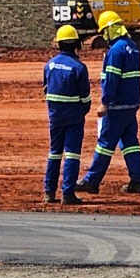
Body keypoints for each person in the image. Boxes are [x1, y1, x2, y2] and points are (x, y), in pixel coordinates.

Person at [75, 11, 140, 194]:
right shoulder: (132, 46)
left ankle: (92, 181)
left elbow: (112, 79)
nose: (104, 35)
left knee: (105, 143)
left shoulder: (115, 51)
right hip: (132, 103)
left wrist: (105, 103)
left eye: (104, 31)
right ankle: (137, 181)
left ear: (110, 30)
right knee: (130, 142)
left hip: (117, 104)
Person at [43, 25, 91, 205]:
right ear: (76, 44)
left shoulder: (50, 65)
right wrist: (81, 111)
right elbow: (85, 97)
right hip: (74, 118)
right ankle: (68, 193)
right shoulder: (79, 67)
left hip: (55, 117)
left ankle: (49, 192)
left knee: (54, 153)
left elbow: (46, 90)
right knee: (71, 155)